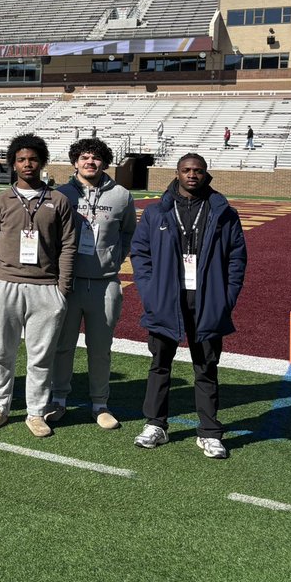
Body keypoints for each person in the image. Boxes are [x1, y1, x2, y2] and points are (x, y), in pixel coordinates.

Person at [130, 153, 247, 459]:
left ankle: (208, 431)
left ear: (206, 174)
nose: (192, 175)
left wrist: (227, 298)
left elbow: (237, 258)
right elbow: (140, 254)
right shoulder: (157, 212)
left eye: (197, 170)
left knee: (206, 367)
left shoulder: (223, 212)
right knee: (159, 365)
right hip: (166, 298)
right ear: (177, 173)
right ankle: (155, 424)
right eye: (186, 170)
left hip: (207, 300)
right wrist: (150, 291)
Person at [0, 134, 77, 438]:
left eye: (33, 159)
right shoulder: (0, 201)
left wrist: (62, 288)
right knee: (2, 353)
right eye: (21, 159)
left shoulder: (58, 200)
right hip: (4, 286)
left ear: (42, 162)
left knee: (40, 357)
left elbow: (69, 245)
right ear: (13, 163)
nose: (27, 164)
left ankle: (36, 412)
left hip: (46, 289)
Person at [49, 137, 136, 430]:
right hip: (69, 283)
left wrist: (112, 259)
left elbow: (128, 234)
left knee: (100, 347)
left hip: (105, 284)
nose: (90, 162)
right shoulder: (60, 194)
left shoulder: (121, 196)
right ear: (75, 161)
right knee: (63, 345)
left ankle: (100, 403)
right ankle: (59, 399)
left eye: (96, 157)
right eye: (84, 157)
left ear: (104, 162)